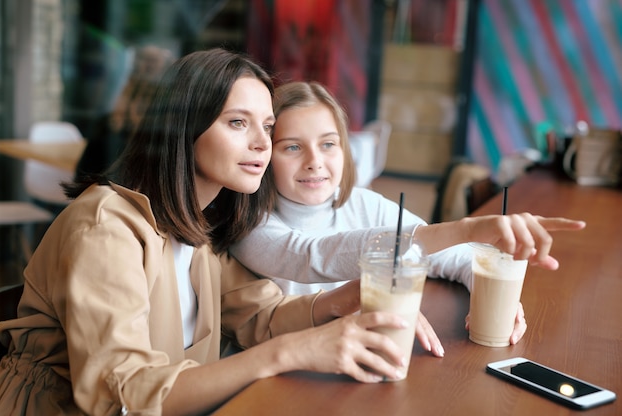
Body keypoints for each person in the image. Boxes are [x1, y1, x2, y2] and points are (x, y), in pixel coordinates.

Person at [0, 50, 417, 416]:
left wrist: (349, 298)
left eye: (268, 127)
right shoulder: (106, 228)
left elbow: (260, 315)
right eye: (238, 123)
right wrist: (288, 354)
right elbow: (119, 395)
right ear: (185, 127)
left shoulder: (197, 222)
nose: (261, 144)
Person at [229, 81, 586, 356]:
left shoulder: (364, 204)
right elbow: (314, 255)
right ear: (263, 153)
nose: (314, 161)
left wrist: (496, 299)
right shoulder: (249, 224)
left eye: (328, 144)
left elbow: (454, 257)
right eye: (292, 146)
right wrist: (465, 229)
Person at [75, 45, 176, 181]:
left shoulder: (166, 128)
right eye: (141, 60)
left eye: (152, 61)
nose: (145, 65)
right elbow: (83, 177)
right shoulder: (108, 127)